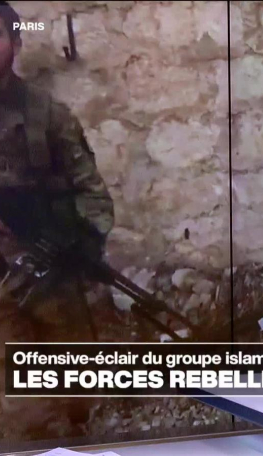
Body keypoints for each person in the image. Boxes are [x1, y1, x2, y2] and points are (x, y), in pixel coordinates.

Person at [0, 1, 115, 440]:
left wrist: (77, 241)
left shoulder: (47, 115)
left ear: (15, 43)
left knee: (77, 400)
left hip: (51, 284)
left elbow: (94, 196)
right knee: (25, 421)